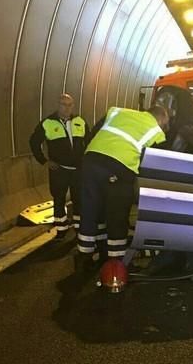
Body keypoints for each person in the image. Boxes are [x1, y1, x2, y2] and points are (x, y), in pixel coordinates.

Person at [76, 105, 170, 272]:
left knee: (92, 210)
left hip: (90, 161)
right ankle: (117, 262)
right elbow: (154, 162)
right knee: (117, 214)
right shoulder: (156, 131)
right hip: (118, 167)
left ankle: (85, 256)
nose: (164, 127)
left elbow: (94, 133)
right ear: (161, 119)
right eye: (165, 123)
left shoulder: (117, 111)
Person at [29, 93, 89, 239]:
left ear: (73, 106)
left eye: (69, 105)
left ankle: (79, 227)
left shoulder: (80, 121)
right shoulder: (48, 123)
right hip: (59, 169)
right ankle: (61, 229)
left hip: (78, 170)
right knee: (59, 198)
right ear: (58, 105)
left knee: (79, 198)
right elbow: (34, 142)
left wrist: (87, 160)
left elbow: (89, 141)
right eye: (63, 104)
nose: (67, 108)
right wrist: (44, 161)